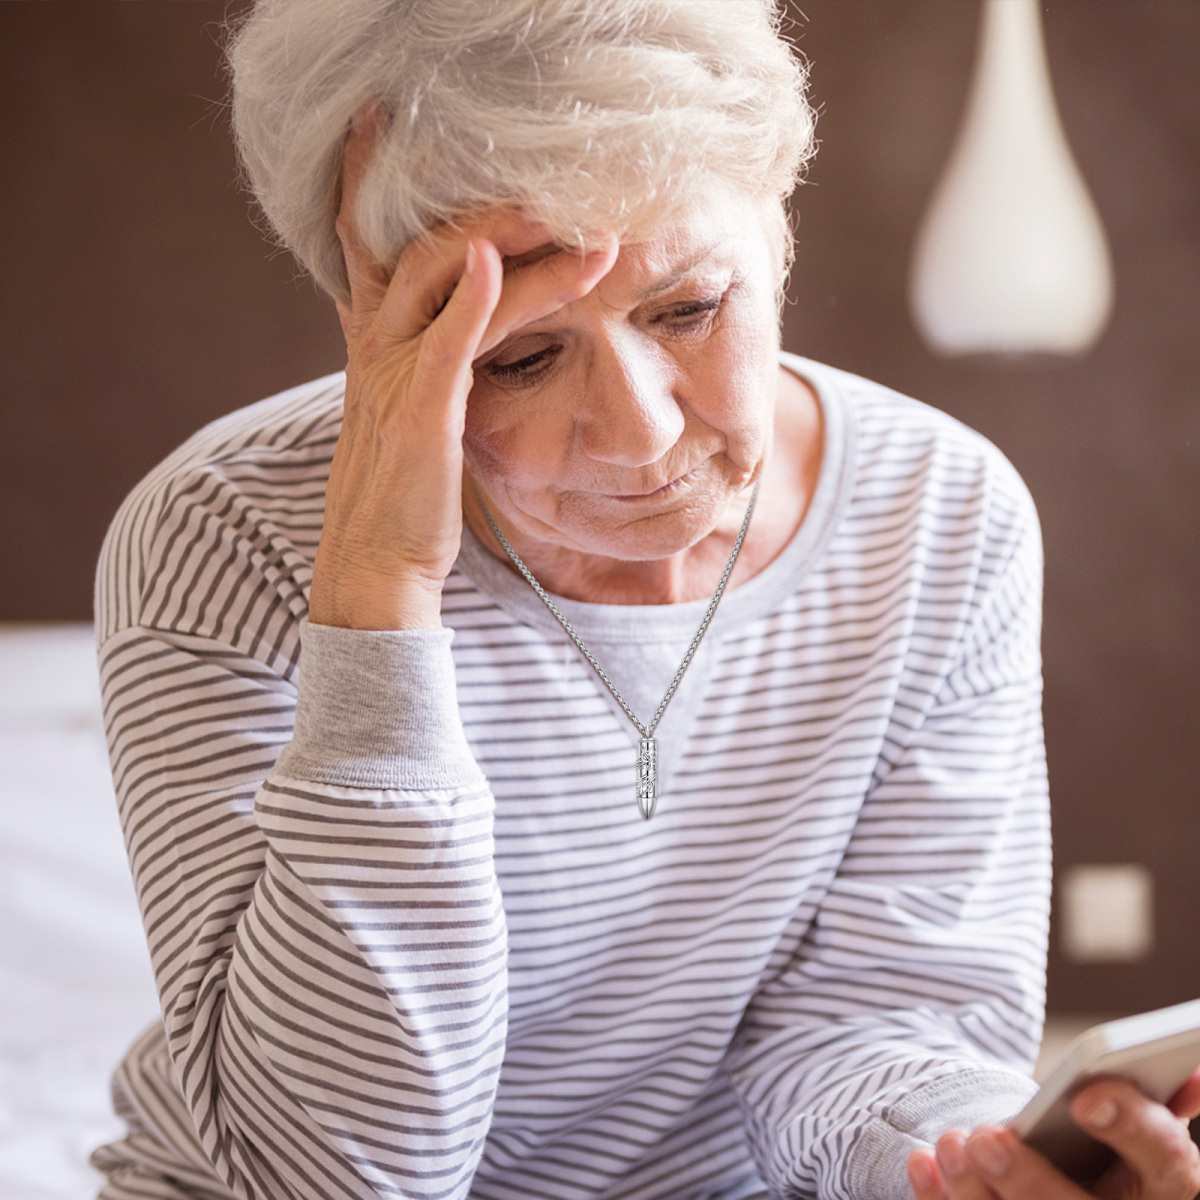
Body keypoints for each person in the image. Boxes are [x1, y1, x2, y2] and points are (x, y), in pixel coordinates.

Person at [91, 2, 1200, 1198]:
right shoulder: (223, 533)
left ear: (777, 227)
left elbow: (880, 1033)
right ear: (365, 321)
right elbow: (337, 1175)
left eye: (688, 308)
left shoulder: (937, 512)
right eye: (515, 356)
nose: (639, 435)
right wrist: (377, 596)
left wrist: (976, 1169)